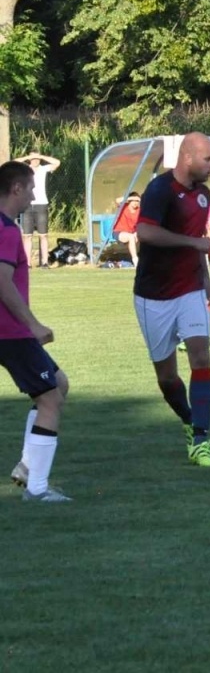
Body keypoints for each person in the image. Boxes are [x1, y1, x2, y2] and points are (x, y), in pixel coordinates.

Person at [134, 132, 210, 467]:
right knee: (167, 377)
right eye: (208, 158)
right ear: (187, 157)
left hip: (191, 289)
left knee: (200, 356)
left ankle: (201, 439)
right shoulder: (160, 190)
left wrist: (206, 278)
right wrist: (192, 243)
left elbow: (198, 239)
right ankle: (188, 419)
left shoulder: (204, 195)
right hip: (153, 295)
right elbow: (145, 232)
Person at [0, 161, 72, 501]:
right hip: (10, 332)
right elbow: (2, 282)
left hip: (11, 331)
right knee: (50, 400)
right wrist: (32, 323)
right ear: (16, 188)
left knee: (59, 383)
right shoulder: (7, 230)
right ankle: (37, 490)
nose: (33, 195)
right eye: (30, 188)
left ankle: (28, 468)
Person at [19, 151, 60, 270]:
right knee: (27, 236)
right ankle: (27, 263)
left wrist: (40, 156)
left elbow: (57, 162)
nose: (35, 160)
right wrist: (29, 157)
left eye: (37, 158)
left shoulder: (43, 169)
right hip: (27, 205)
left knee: (43, 235)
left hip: (41, 204)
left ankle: (45, 262)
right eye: (33, 158)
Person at [111, 192, 141, 266]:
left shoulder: (140, 210)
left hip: (132, 233)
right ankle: (136, 261)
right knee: (131, 237)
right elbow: (117, 200)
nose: (135, 203)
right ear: (129, 201)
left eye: (137, 201)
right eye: (133, 201)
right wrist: (131, 198)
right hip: (119, 232)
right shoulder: (123, 207)